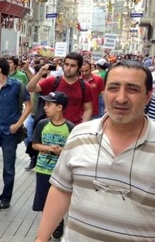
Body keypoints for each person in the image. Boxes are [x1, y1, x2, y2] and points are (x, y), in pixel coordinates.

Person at [35, 60, 155, 242]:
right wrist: (41, 239)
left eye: (132, 89)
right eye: (114, 88)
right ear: (104, 92)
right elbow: (61, 190)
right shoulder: (79, 135)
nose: (121, 98)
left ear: (148, 96)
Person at [0, 57, 32, 211]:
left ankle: (5, 198)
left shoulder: (17, 86)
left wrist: (18, 124)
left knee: (8, 167)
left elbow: (29, 105)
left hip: (10, 132)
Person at [31, 91, 74, 240]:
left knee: (59, 200)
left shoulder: (70, 127)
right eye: (45, 104)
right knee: (43, 201)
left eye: (49, 104)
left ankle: (59, 221)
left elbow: (73, 150)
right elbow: (35, 145)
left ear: (59, 107)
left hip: (61, 172)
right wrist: (49, 148)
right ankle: (47, 229)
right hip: (42, 169)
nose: (45, 107)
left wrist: (62, 151)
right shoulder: (42, 124)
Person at [26, 52, 93, 126]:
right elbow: (30, 88)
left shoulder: (85, 86)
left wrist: (81, 127)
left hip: (74, 128)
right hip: (51, 128)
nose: (68, 68)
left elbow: (88, 109)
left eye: (73, 66)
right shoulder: (52, 81)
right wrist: (39, 74)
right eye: (66, 64)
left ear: (79, 68)